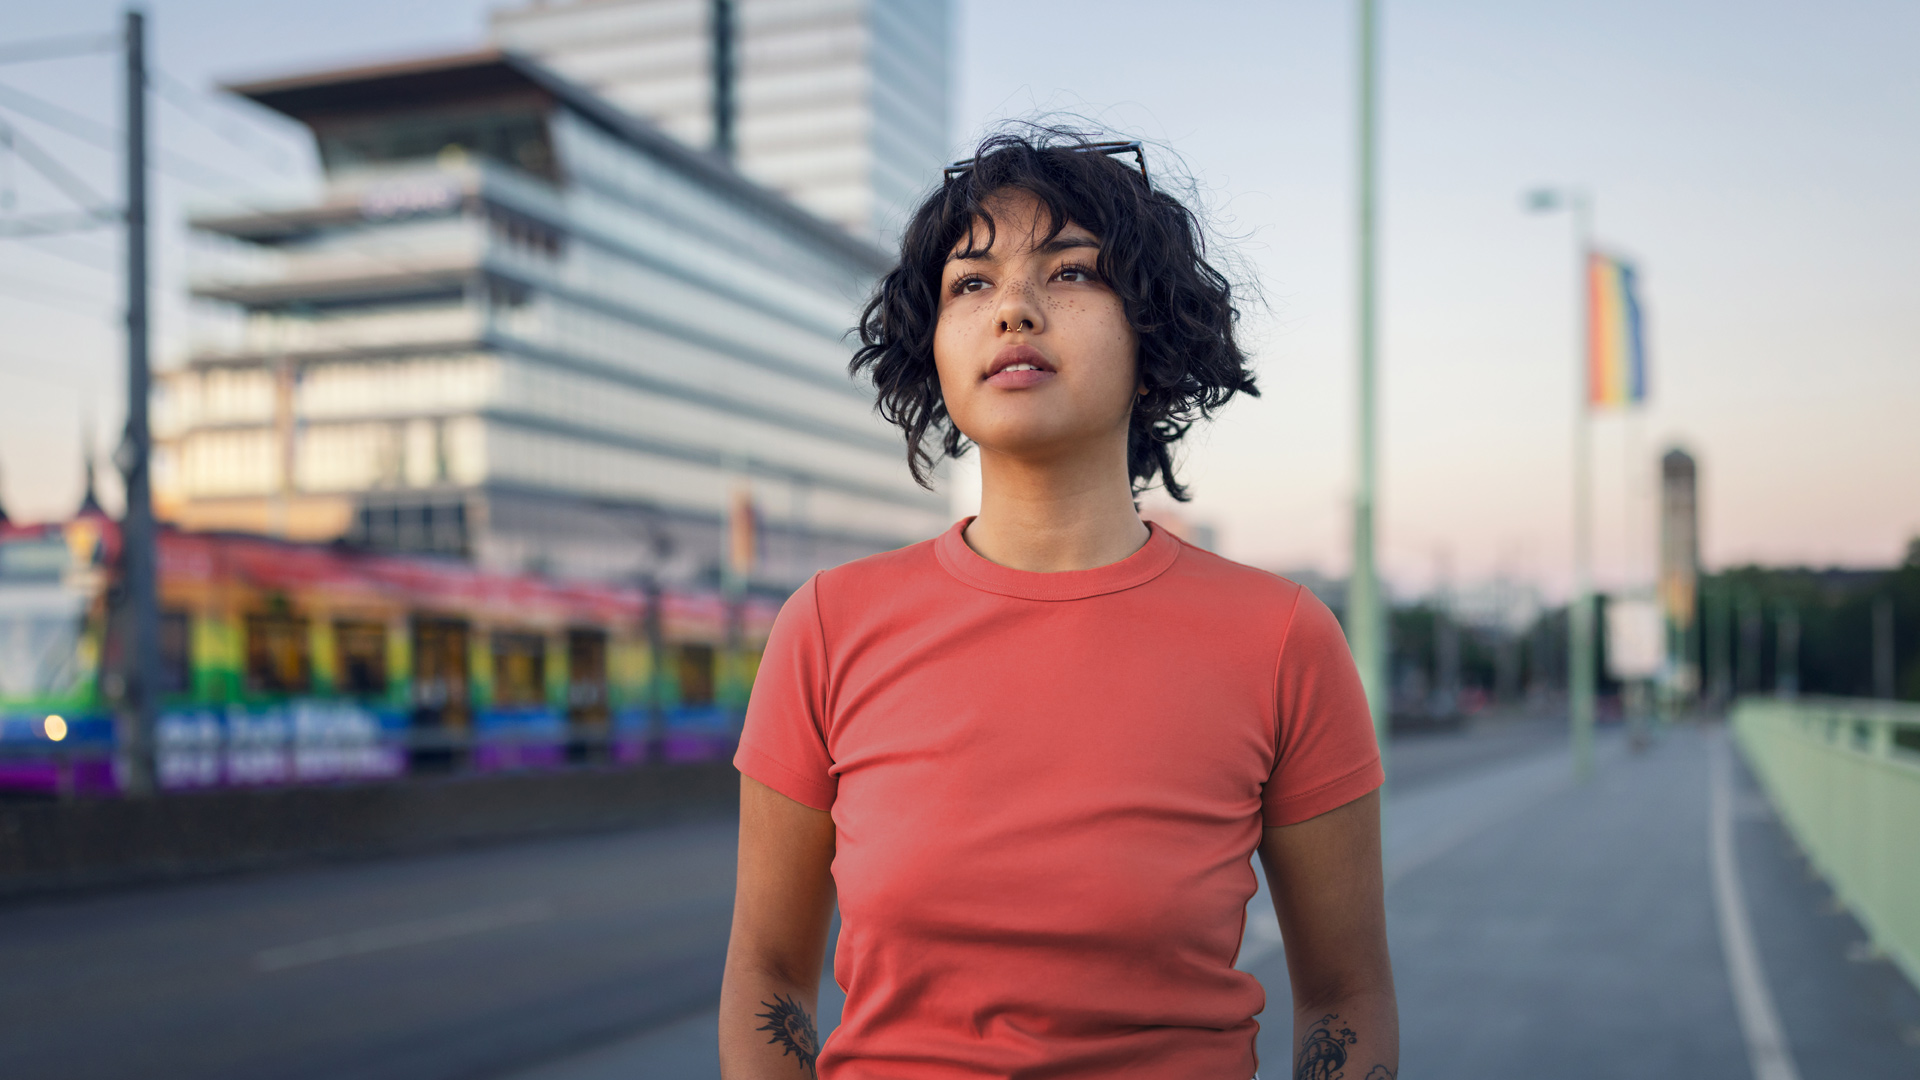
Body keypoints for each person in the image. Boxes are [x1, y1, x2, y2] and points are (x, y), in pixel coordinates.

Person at [720, 131, 1397, 1080]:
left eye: (1071, 272)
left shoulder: (1283, 639)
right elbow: (768, 973)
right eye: (971, 284)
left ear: (1153, 340)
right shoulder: (828, 626)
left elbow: (1345, 996)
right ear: (937, 350)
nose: (1015, 310)